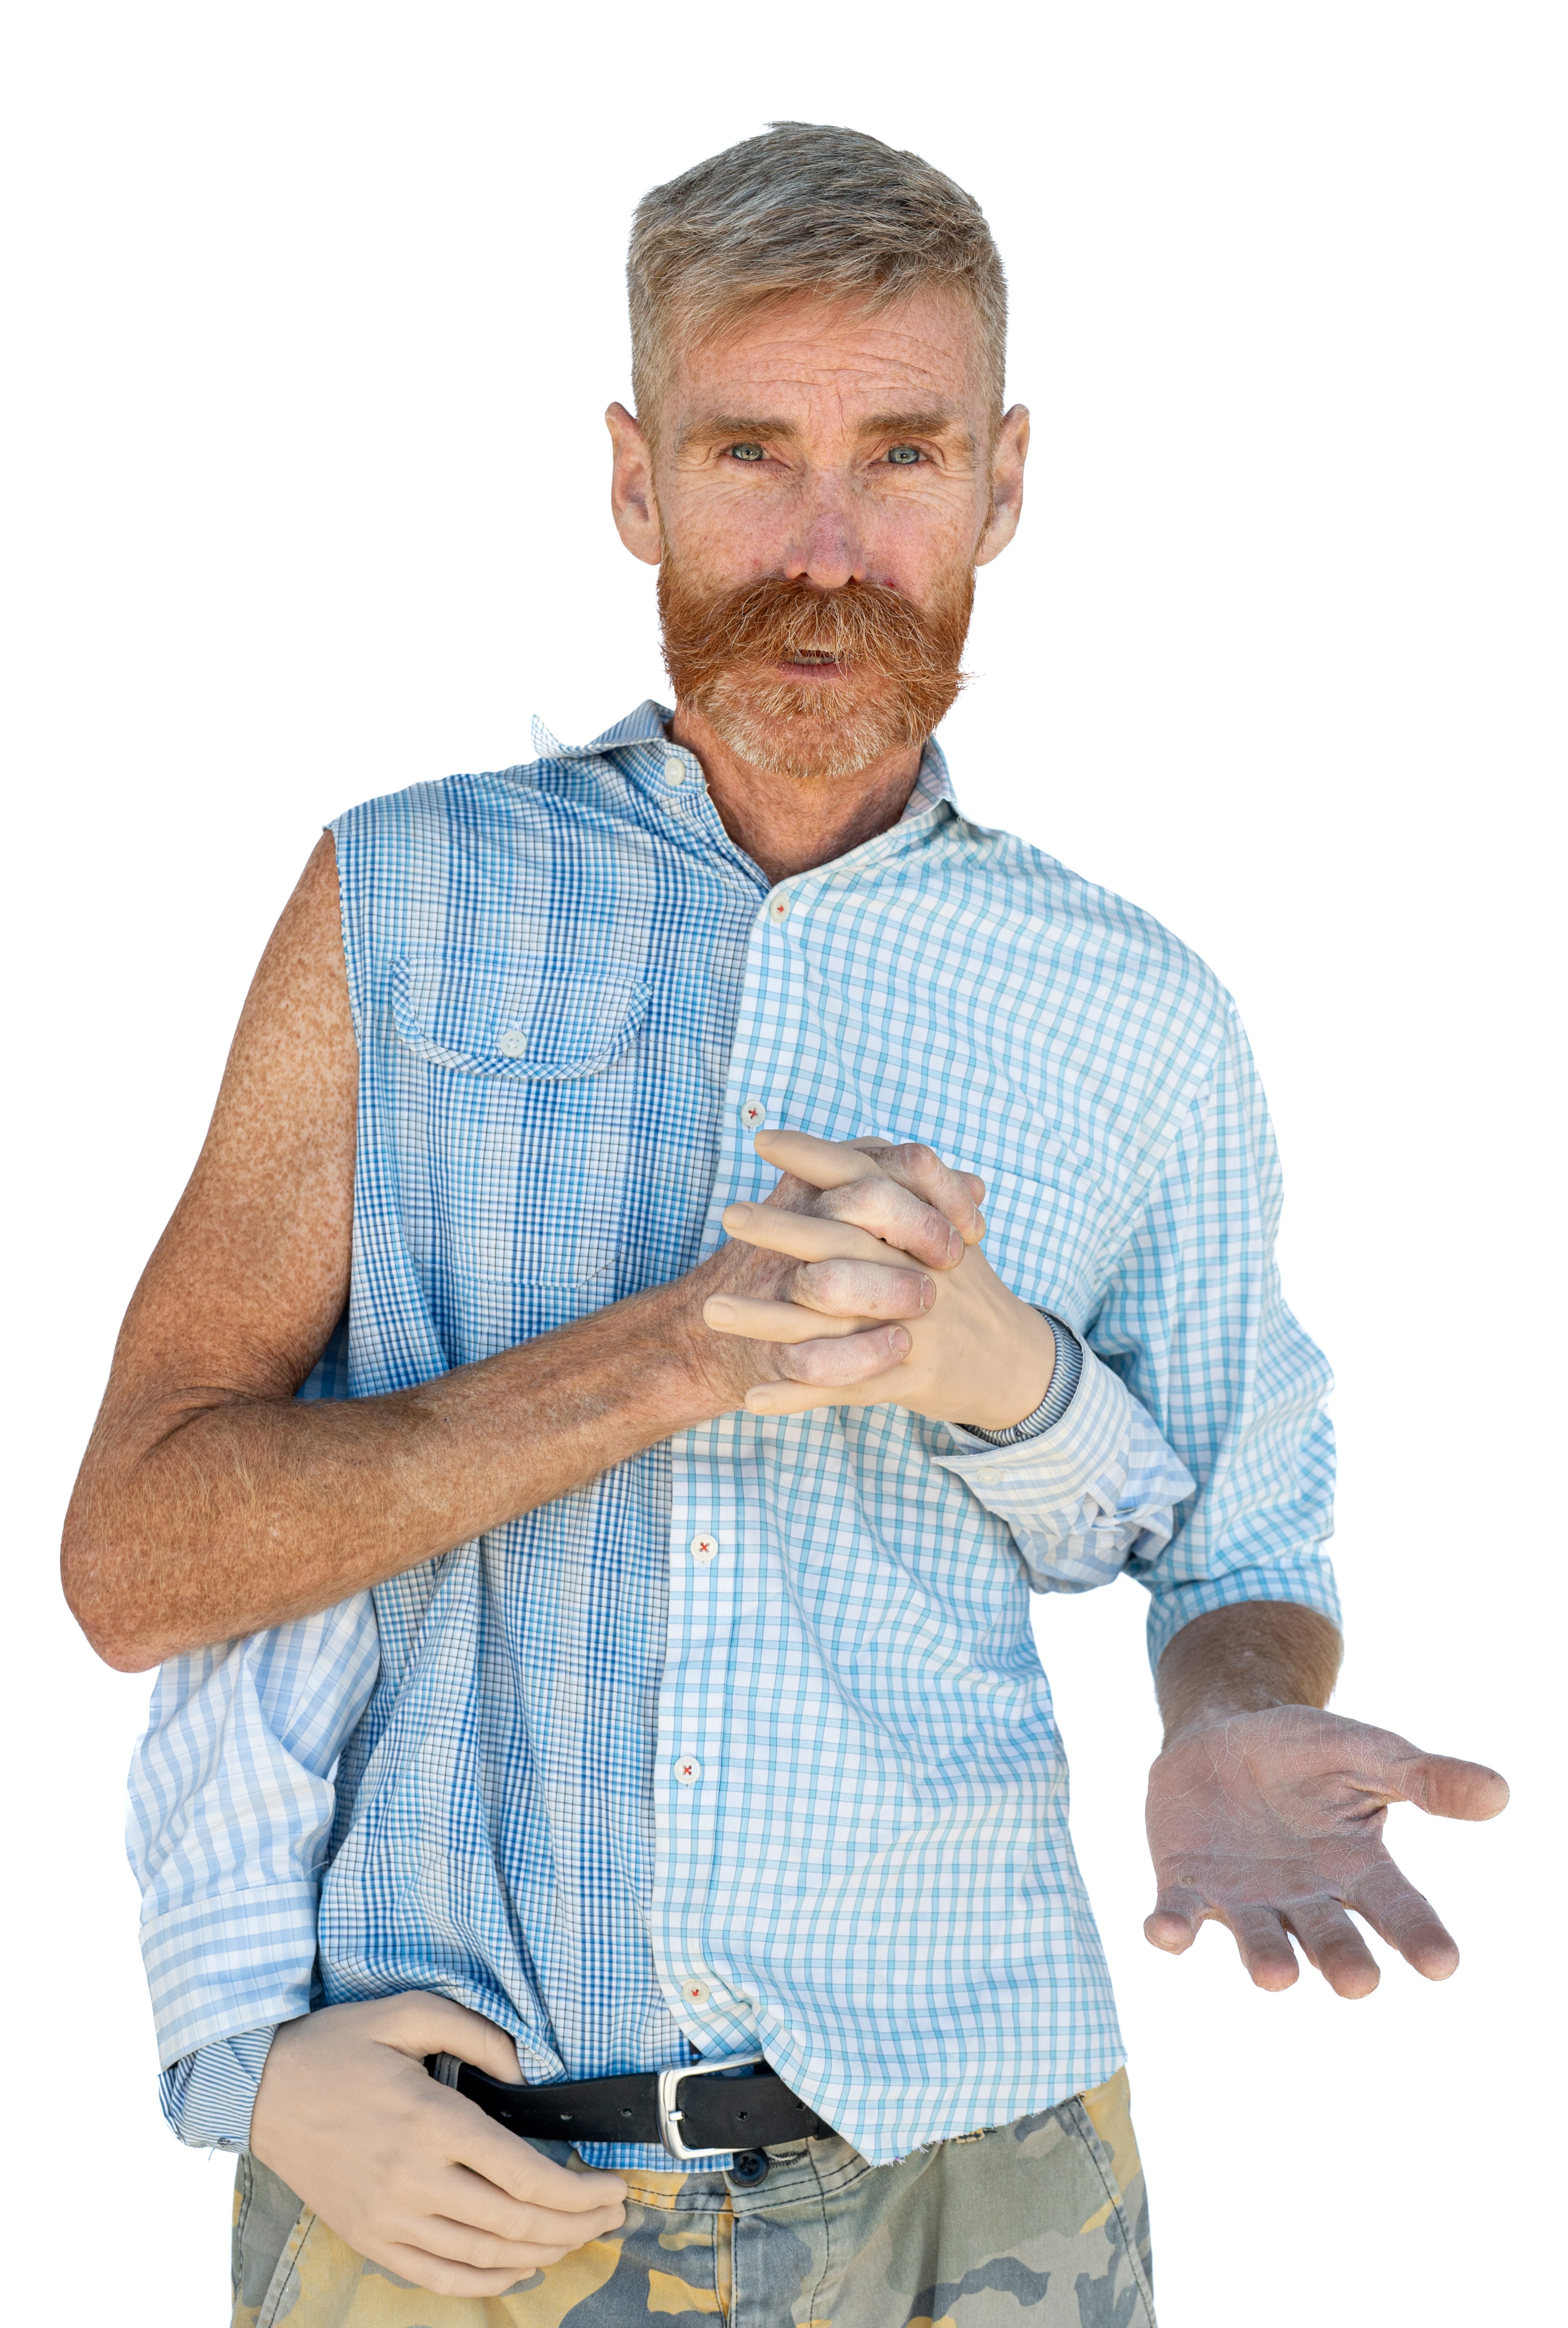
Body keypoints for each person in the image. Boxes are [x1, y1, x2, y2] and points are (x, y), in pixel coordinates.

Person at [67, 123, 1507, 2328]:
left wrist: (1221, 1715)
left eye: (905, 456)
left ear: (1004, 485)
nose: (828, 552)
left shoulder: (1135, 1008)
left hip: (986, 2175)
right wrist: (686, 1346)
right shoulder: (401, 904)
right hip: (464, 2190)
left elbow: (1243, 1541)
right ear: (636, 479)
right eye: (753, 452)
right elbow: (139, 1558)